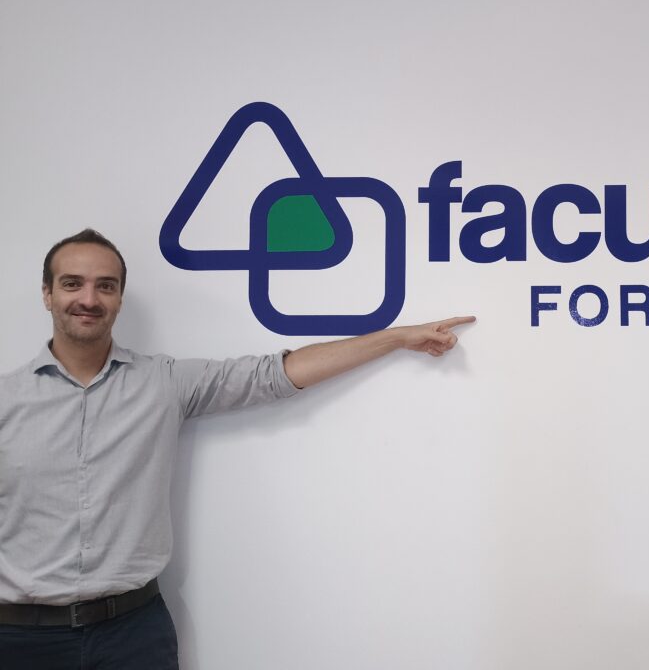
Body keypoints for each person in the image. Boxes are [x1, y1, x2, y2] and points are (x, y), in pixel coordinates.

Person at [0, 228, 474, 669]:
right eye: (72, 284)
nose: (89, 299)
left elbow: (274, 374)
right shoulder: (6, 399)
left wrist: (398, 338)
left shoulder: (162, 383)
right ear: (48, 294)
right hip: (20, 638)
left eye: (105, 286)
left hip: (132, 635)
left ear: (119, 297)